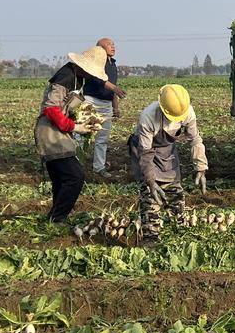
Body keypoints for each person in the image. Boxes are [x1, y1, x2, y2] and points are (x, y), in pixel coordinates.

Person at [34, 46, 109, 223]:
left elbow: (67, 107)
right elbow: (51, 109)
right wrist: (75, 127)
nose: (92, 75)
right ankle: (58, 218)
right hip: (50, 132)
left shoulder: (78, 78)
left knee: (61, 179)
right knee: (75, 176)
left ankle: (54, 218)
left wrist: (87, 119)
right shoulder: (65, 77)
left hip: (60, 131)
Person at [128, 84, 209, 246]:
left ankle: (178, 232)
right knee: (149, 193)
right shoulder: (148, 117)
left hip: (166, 150)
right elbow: (146, 154)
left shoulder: (187, 112)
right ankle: (150, 237)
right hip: (144, 150)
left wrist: (200, 166)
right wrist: (151, 181)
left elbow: (195, 140)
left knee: (174, 190)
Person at [81, 38, 126, 177]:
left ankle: (99, 167)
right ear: (99, 48)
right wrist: (113, 87)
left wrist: (115, 107)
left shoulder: (113, 64)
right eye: (109, 44)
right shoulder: (95, 61)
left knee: (102, 139)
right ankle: (76, 166)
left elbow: (113, 89)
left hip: (106, 105)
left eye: (113, 44)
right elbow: (97, 79)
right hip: (90, 102)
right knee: (82, 135)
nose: (113, 47)